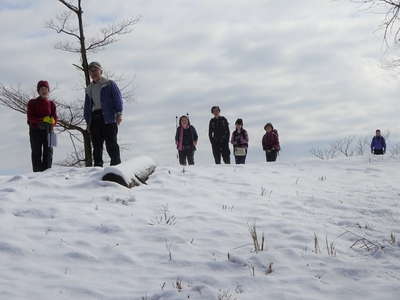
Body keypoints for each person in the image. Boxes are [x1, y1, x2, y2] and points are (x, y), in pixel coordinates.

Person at [84, 62, 123, 167]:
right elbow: (87, 106)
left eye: (95, 70)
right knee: (97, 146)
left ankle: (116, 167)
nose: (93, 73)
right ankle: (97, 168)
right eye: (91, 71)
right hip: (95, 118)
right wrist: (88, 122)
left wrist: (119, 113)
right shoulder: (88, 89)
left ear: (101, 71)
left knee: (111, 144)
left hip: (109, 117)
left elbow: (117, 98)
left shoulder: (109, 84)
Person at [27, 80, 57, 172]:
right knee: (36, 152)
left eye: (46, 89)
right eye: (41, 89)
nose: (44, 91)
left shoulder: (52, 104)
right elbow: (30, 118)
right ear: (38, 91)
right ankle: (37, 174)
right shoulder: (32, 102)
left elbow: (55, 117)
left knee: (49, 152)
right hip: (35, 130)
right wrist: (42, 119)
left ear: (48, 90)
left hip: (50, 130)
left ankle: (47, 173)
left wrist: (53, 121)